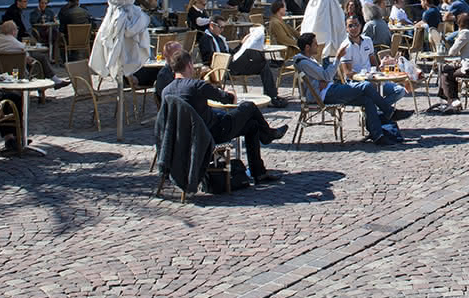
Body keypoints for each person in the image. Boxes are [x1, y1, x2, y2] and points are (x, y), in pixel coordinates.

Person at [162, 50, 285, 184]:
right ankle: (267, 135)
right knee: (249, 106)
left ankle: (259, 172)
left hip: (184, 137)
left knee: (252, 126)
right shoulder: (196, 86)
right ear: (189, 65)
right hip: (213, 133)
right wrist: (231, 93)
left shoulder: (166, 92)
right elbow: (227, 99)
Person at [293, 32, 409, 145]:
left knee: (367, 100)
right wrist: (337, 57)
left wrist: (324, 79)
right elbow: (327, 75)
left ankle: (378, 135)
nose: (317, 46)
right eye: (315, 44)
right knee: (366, 86)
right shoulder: (304, 62)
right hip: (325, 94)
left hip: (329, 89)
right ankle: (389, 112)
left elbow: (325, 76)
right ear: (308, 47)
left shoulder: (310, 60)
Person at [434, 13, 469, 110]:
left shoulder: (465, 33)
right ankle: (451, 99)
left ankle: (452, 101)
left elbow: (452, 52)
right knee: (448, 70)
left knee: (445, 73)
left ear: (460, 24)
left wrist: (458, 35)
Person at [0, 20, 52, 85]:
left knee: (38, 58)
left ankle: (53, 79)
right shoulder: (16, 43)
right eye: (17, 29)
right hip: (19, 70)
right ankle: (50, 81)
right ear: (13, 31)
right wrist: (29, 58)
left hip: (3, 69)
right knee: (40, 58)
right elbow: (26, 54)